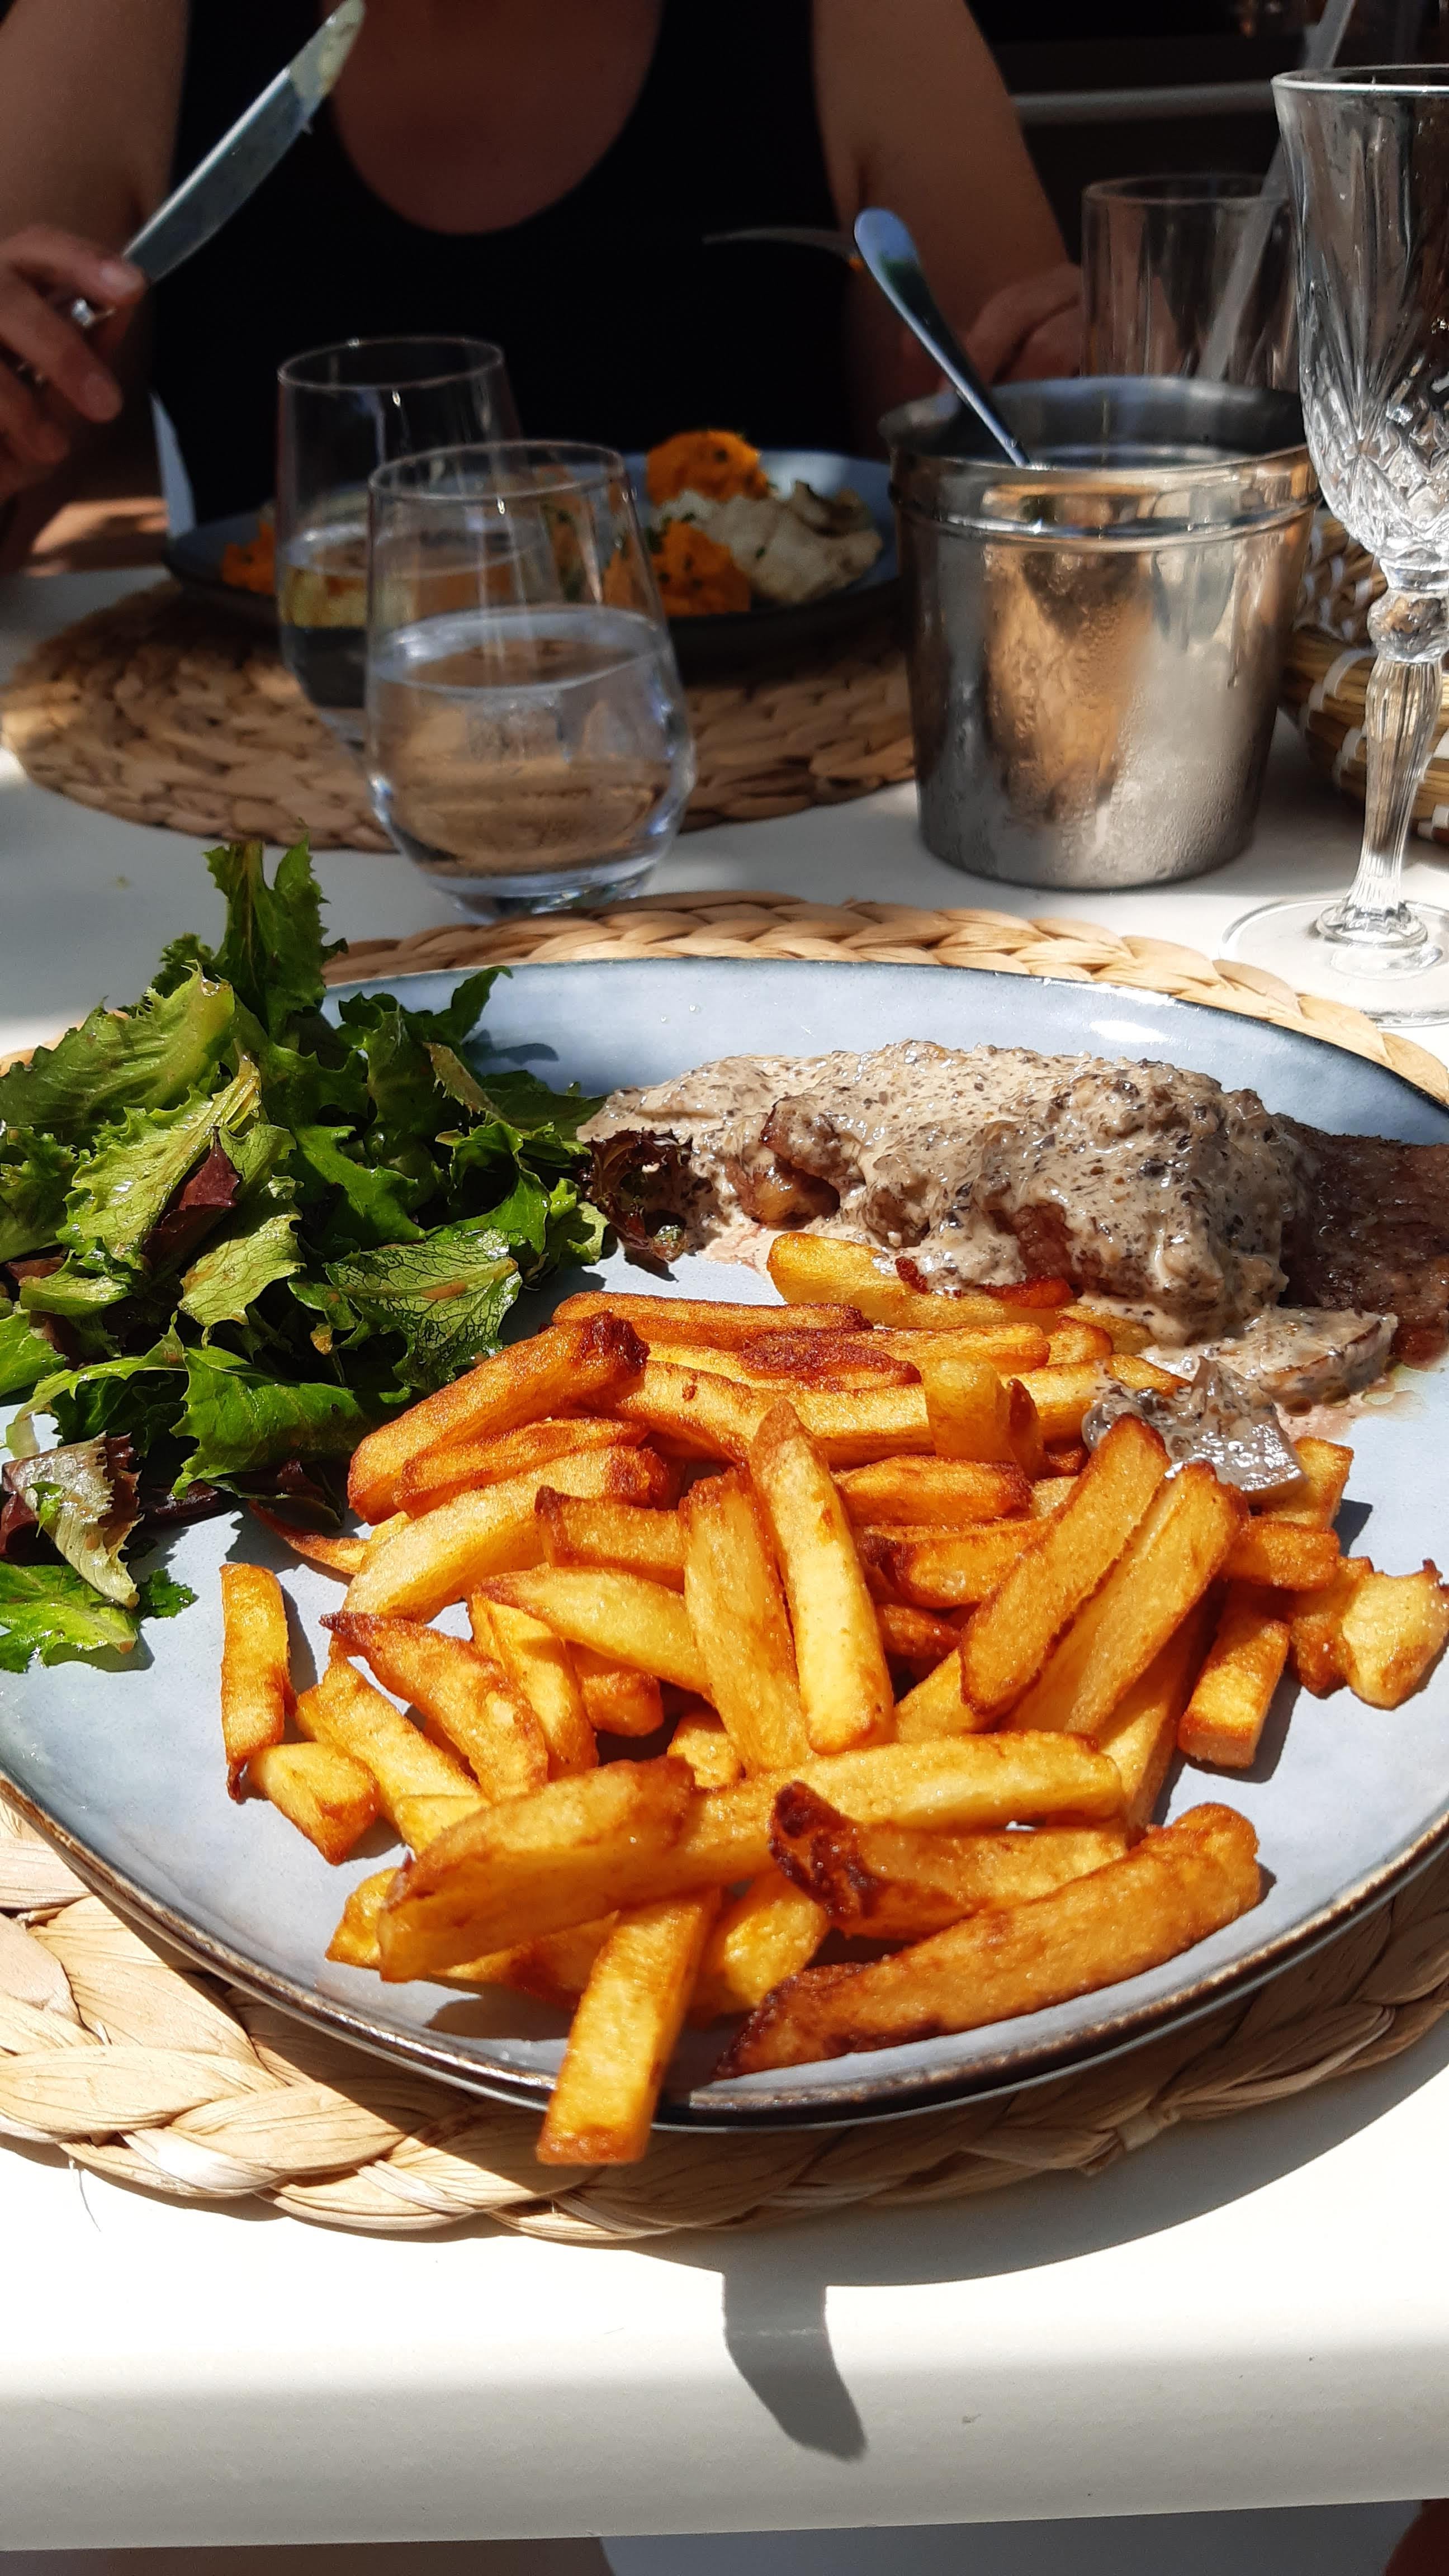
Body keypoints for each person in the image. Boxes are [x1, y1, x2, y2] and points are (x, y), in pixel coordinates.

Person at [0, 0, 1080, 544]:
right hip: (262, 835)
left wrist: (1101, 410)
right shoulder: (121, 31)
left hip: (810, 839)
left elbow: (1033, 495)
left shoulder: (862, 24)